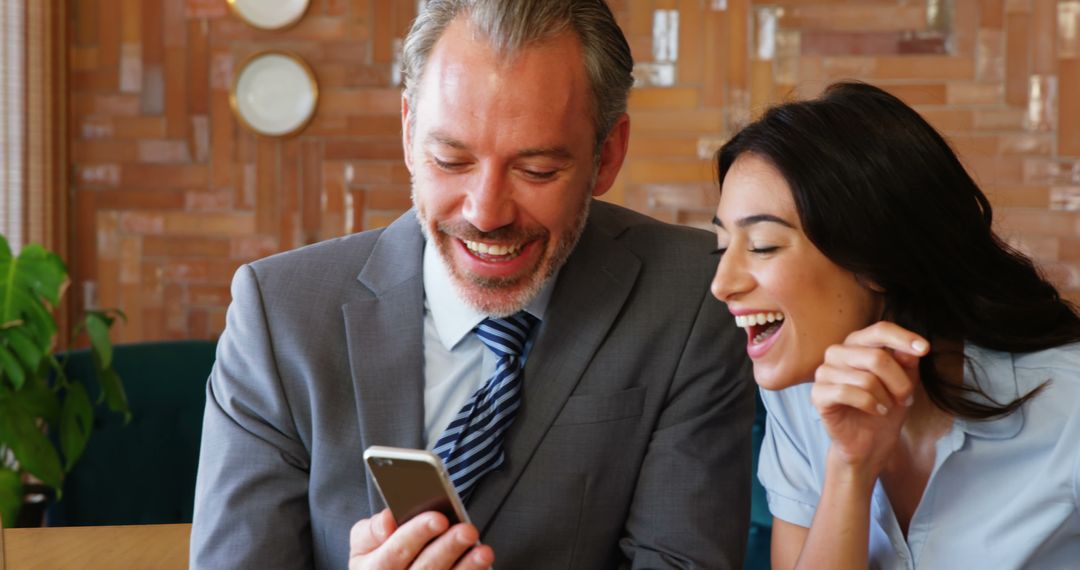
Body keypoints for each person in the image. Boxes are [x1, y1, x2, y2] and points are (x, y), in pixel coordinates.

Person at [190, 1, 755, 568]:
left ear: (606, 155)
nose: (486, 213)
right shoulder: (279, 314)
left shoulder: (692, 295)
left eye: (536, 170)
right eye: (450, 160)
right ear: (410, 134)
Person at [709, 80, 1080, 569]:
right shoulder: (798, 396)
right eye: (721, 246)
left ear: (875, 258)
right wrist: (850, 467)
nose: (722, 283)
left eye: (761, 246)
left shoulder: (1068, 409)